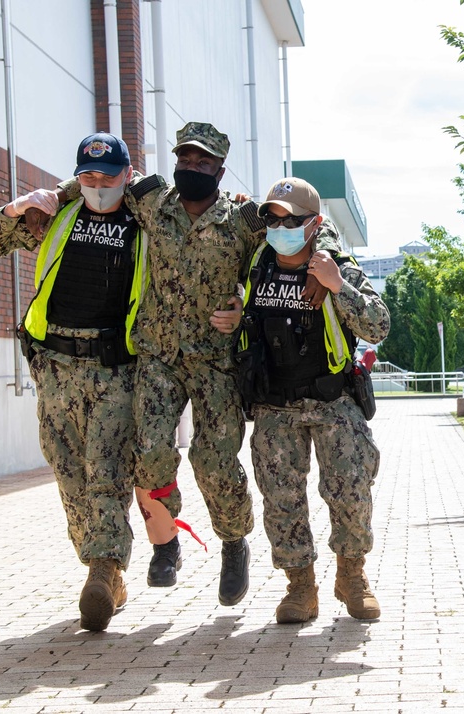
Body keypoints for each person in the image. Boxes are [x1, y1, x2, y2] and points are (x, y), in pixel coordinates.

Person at [55, 122, 338, 605]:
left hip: (217, 363)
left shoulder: (243, 219)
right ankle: (166, 544)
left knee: (212, 460)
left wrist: (323, 257)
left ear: (220, 170)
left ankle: (233, 541)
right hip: (158, 356)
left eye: (203, 163)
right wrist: (45, 196)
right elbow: (100, 181)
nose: (192, 168)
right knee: (149, 454)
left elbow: (308, 224)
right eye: (185, 160)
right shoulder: (152, 200)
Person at [0, 133, 148, 631]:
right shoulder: (57, 210)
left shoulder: (145, 218)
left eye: (107, 177)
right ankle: (101, 566)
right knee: (67, 467)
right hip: (54, 364)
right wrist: (17, 208)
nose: (96, 186)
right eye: (88, 176)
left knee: (107, 465)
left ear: (126, 175)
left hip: (114, 363)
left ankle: (104, 566)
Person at [237, 177, 390, 624]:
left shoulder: (337, 266)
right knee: (281, 500)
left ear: (315, 224)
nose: (279, 226)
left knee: (350, 492)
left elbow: (378, 326)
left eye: (291, 219)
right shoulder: (256, 264)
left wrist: (337, 285)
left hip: (332, 401)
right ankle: (300, 588)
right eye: (273, 218)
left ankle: (352, 577)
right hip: (274, 404)